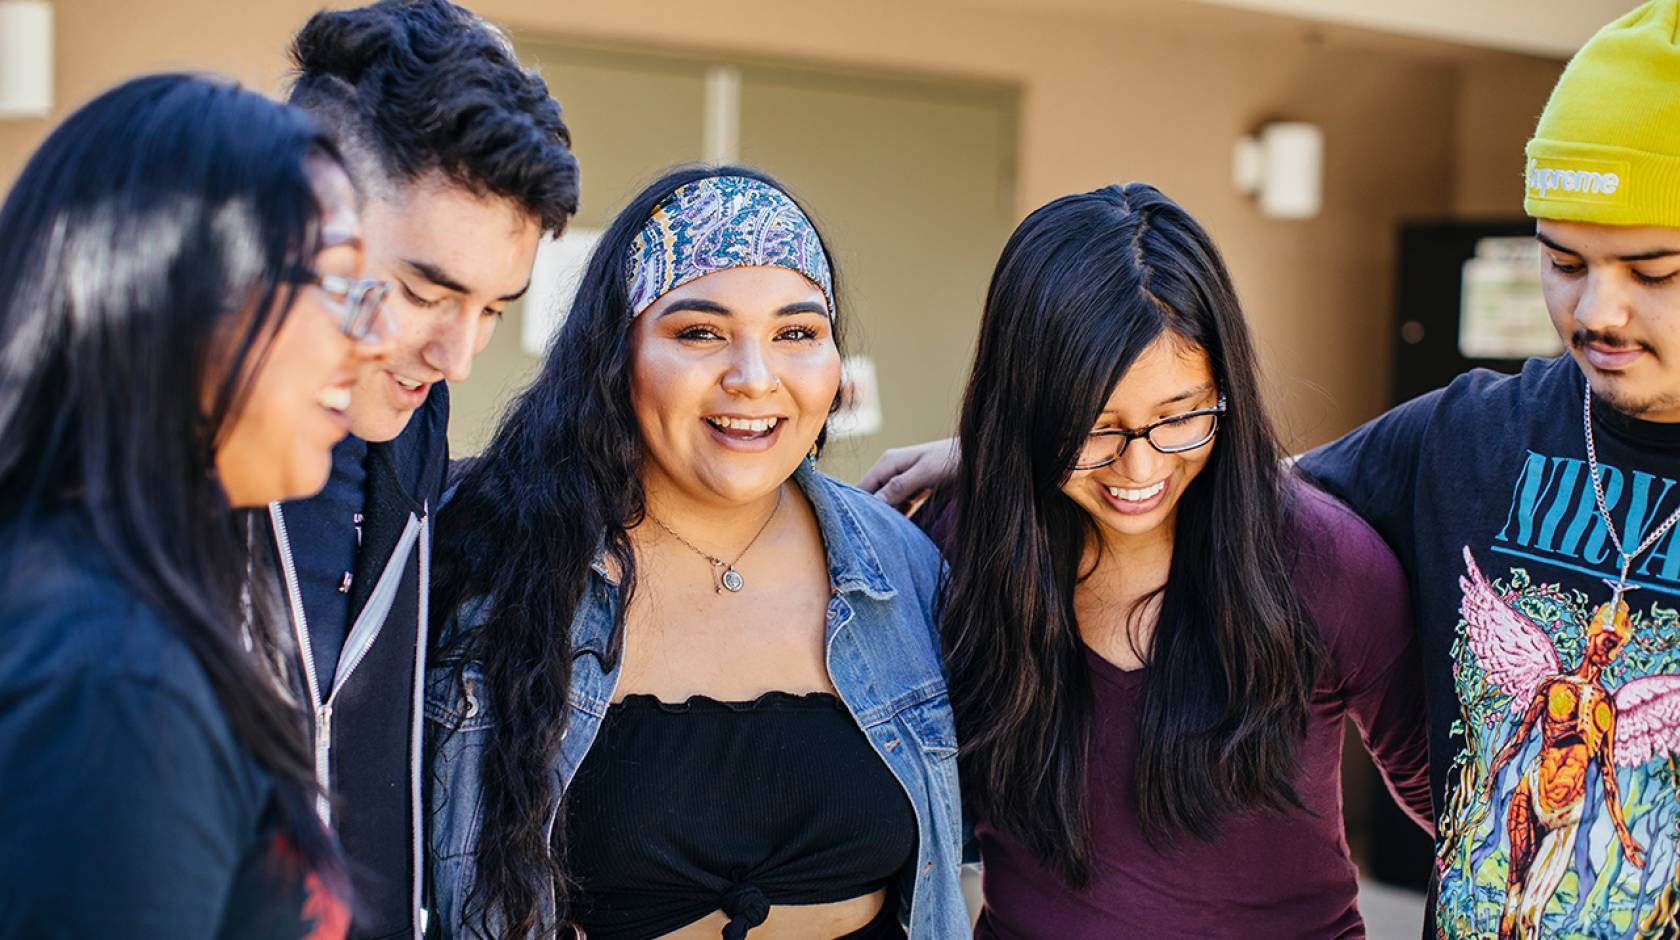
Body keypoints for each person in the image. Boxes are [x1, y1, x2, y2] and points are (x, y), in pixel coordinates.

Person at [865, 3, 1680, 935]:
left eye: (1654, 271)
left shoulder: (1332, 563)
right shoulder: (1464, 436)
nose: (1599, 312)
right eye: (1564, 259)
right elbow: (1221, 477)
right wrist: (1015, 451)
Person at [425, 167, 967, 939]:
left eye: (797, 333)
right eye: (700, 332)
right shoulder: (494, 562)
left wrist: (1004, 458)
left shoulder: (905, 570)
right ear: (617, 357)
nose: (753, 378)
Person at [906, 183, 1427, 937]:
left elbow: (1466, 808)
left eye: (1180, 418)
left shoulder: (1322, 563)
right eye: (1092, 428)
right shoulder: (959, 550)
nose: (1139, 469)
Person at [0, 73, 390, 938]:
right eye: (338, 291)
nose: (368, 347)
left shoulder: (95, 594)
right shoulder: (112, 683)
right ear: (173, 289)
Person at [274, 3, 578, 936]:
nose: (458, 355)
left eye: (493, 310)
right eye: (421, 292)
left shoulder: (413, 419)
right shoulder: (117, 461)